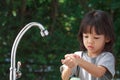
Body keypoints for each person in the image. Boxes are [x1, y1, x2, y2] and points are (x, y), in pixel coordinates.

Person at [60, 10, 115, 80]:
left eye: (96, 38)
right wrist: (69, 67)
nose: (90, 41)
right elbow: (64, 78)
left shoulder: (107, 57)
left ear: (107, 38)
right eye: (86, 36)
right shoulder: (78, 55)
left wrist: (79, 61)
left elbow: (99, 72)